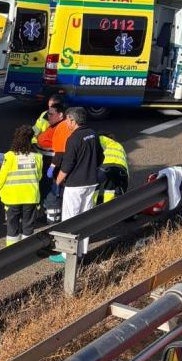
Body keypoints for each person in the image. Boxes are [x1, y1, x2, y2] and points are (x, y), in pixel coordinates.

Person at [52, 107, 102, 262]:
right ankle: (81, 251)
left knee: (70, 219)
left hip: (75, 185)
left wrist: (57, 182)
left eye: (67, 119)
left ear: (73, 120)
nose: (66, 122)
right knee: (85, 218)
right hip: (91, 182)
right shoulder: (93, 134)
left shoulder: (73, 139)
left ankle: (67, 255)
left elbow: (67, 165)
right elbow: (100, 157)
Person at [0, 126, 43, 246]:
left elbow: (2, 177)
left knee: (12, 226)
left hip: (12, 198)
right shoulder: (38, 157)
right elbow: (39, 176)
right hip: (31, 197)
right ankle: (27, 249)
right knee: (28, 225)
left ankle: (12, 251)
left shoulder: (10, 156)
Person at [96, 133, 129, 205]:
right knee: (110, 189)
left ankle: (91, 207)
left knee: (94, 186)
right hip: (121, 170)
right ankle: (108, 209)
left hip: (105, 167)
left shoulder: (100, 138)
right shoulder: (119, 145)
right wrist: (125, 184)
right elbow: (125, 162)